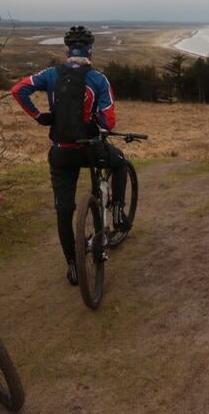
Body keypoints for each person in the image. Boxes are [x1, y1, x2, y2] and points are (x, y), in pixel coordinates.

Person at [11, 25, 129, 286]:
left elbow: (18, 89)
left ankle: (73, 266)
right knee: (120, 163)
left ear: (67, 51)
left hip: (61, 152)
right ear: (90, 51)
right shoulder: (98, 79)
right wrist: (97, 123)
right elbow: (108, 122)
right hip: (90, 149)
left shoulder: (51, 75)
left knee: (63, 210)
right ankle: (118, 212)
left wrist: (39, 116)